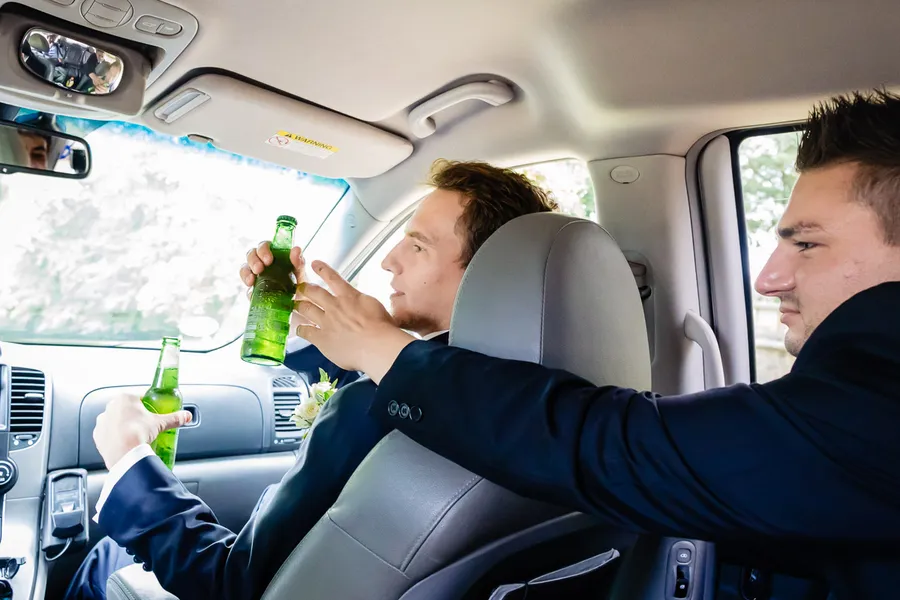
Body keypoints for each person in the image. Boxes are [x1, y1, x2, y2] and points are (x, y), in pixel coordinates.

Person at [286, 89, 900, 599]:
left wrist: (379, 349)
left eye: (808, 244)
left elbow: (606, 441)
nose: (767, 278)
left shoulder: (875, 407)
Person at [65, 160, 559, 600]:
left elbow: (229, 583)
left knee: (106, 560)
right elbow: (398, 376)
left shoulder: (372, 408)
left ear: (487, 273)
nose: (389, 261)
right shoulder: (552, 408)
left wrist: (129, 458)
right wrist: (289, 315)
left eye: (417, 245)